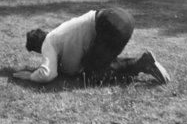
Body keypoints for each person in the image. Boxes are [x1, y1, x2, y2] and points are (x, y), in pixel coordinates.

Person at [13, 8, 170, 84]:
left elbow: (49, 73)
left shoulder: (48, 44)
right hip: (120, 17)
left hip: (108, 25)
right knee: (101, 61)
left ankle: (142, 64)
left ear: (38, 47)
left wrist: (32, 76)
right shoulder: (58, 34)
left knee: (92, 74)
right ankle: (143, 62)